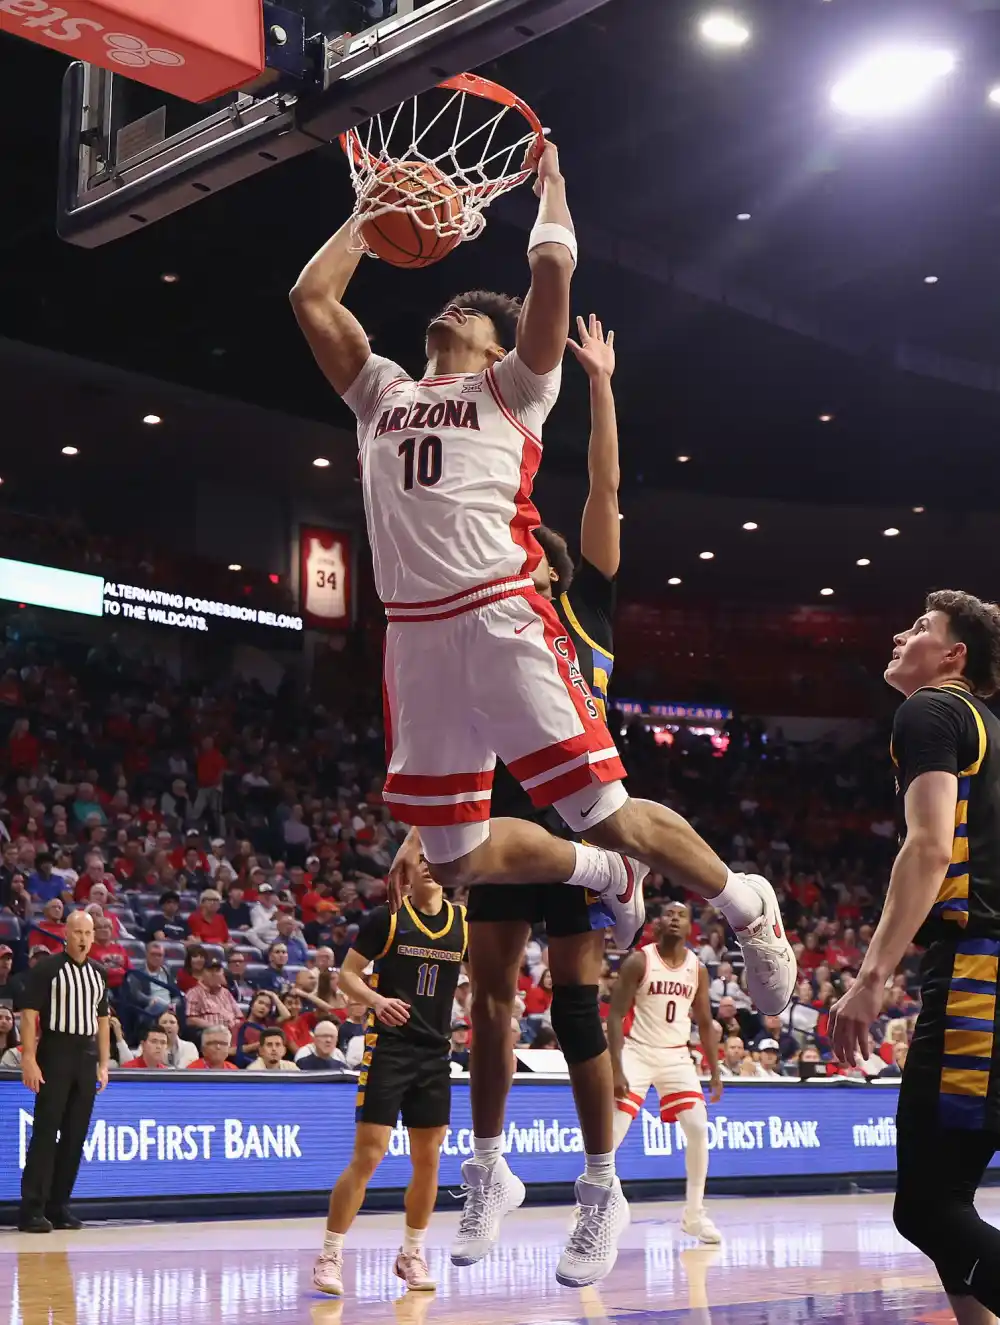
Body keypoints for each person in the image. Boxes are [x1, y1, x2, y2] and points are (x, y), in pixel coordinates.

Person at [293, 141, 793, 1267]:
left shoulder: (513, 387)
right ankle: (598, 877)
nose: (439, 322)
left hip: (504, 617)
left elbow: (552, 285)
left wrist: (551, 188)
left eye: (458, 315)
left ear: (483, 336)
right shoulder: (380, 393)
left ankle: (744, 900)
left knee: (608, 811)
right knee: (459, 858)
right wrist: (367, 219)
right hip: (416, 640)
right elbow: (310, 298)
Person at [829, 590, 1000, 1323]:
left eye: (921, 628)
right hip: (982, 971)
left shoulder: (930, 710)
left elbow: (927, 847)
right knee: (948, 1199)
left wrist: (872, 977)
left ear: (954, 656)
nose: (901, 634)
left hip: (976, 977)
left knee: (925, 1209)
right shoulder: (990, 727)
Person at [312, 857, 467, 1298]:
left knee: (429, 1160)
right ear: (407, 871)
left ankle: (412, 1253)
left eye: (437, 859)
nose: (430, 866)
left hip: (435, 1053)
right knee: (370, 1155)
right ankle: (330, 1254)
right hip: (390, 1050)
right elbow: (345, 976)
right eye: (421, 859)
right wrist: (377, 1002)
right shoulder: (388, 919)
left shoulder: (464, 924)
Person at [608, 901, 722, 1244]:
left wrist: (714, 1069)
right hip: (638, 1052)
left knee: (699, 1129)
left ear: (690, 927)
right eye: (669, 914)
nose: (674, 918)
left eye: (681, 914)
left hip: (676, 1057)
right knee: (611, 1135)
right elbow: (614, 1016)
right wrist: (616, 1067)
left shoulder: (697, 968)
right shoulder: (639, 960)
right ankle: (590, 1210)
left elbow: (703, 1022)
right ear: (658, 923)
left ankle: (694, 1215)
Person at [18, 910, 110, 1232]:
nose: (83, 938)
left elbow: (102, 1021)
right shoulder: (48, 968)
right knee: (46, 1131)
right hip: (55, 1051)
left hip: (86, 1056)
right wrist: (29, 1058)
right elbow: (29, 1015)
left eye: (88, 933)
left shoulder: (99, 973)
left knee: (74, 1136)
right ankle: (31, 1209)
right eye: (77, 933)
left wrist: (104, 1062)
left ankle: (59, 1206)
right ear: (65, 935)